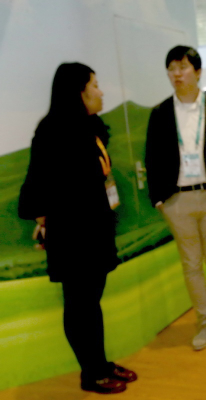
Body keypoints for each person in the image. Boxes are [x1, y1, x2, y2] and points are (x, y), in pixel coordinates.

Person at [18, 63, 137, 394]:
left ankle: (100, 364)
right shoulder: (53, 130)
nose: (101, 91)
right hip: (73, 238)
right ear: (78, 92)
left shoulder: (90, 127)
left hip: (94, 230)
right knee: (80, 305)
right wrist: (43, 221)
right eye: (95, 84)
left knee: (90, 303)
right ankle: (92, 374)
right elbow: (38, 184)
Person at [145, 46, 206, 351]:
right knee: (190, 264)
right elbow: (151, 158)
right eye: (171, 68)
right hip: (177, 200)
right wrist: (159, 199)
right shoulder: (160, 113)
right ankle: (203, 322)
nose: (177, 74)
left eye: (183, 67)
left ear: (197, 72)